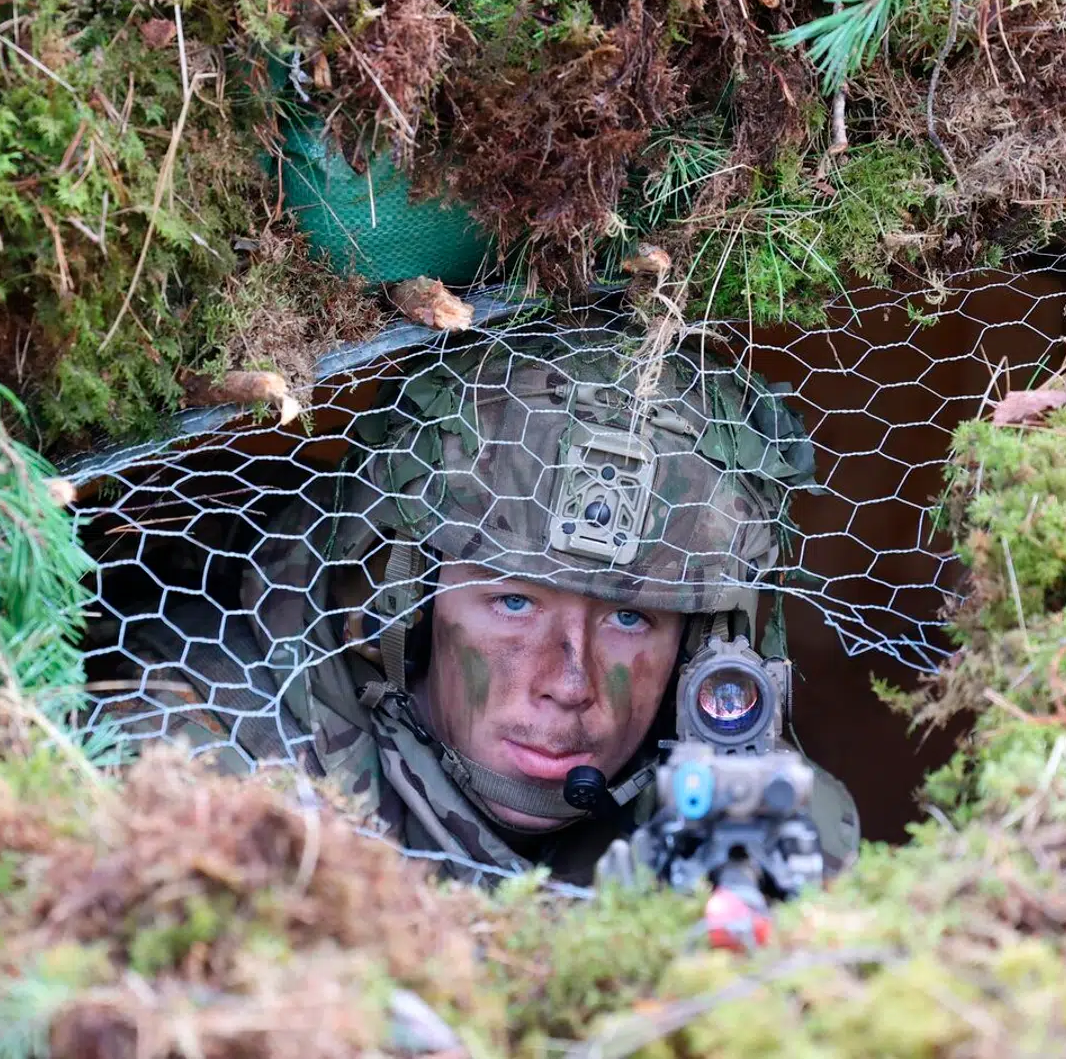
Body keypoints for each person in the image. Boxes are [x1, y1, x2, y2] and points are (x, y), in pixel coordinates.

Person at [98, 323, 861, 887]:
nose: (569, 682)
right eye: (514, 603)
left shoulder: (725, 824)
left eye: (632, 618)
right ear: (402, 603)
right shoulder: (201, 751)